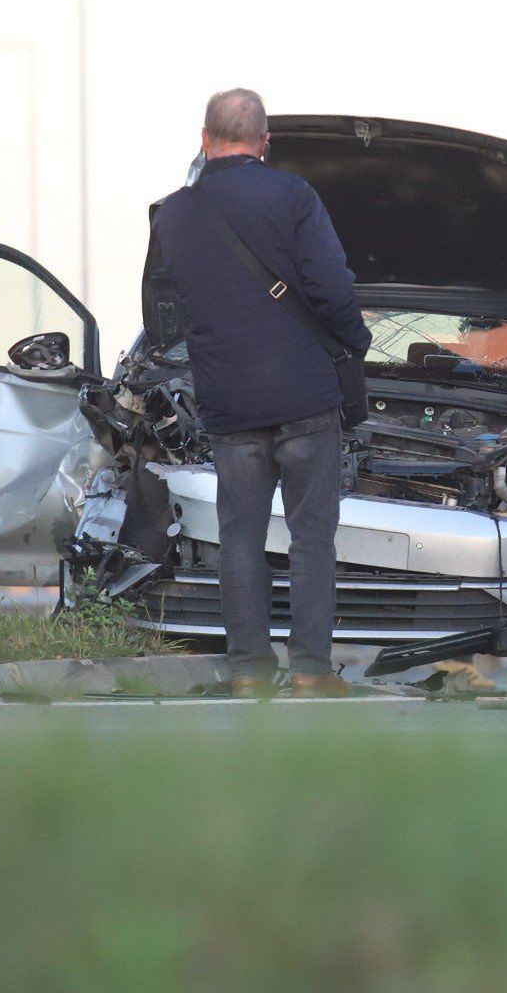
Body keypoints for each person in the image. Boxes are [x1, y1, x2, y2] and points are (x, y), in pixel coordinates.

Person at [152, 88, 372, 698]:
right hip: (304, 398)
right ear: (264, 142)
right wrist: (356, 341)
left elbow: (174, 309)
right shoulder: (293, 195)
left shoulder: (172, 214)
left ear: (204, 138)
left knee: (240, 538)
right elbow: (330, 286)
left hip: (228, 404)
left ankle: (249, 673)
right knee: (310, 538)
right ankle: (308, 671)